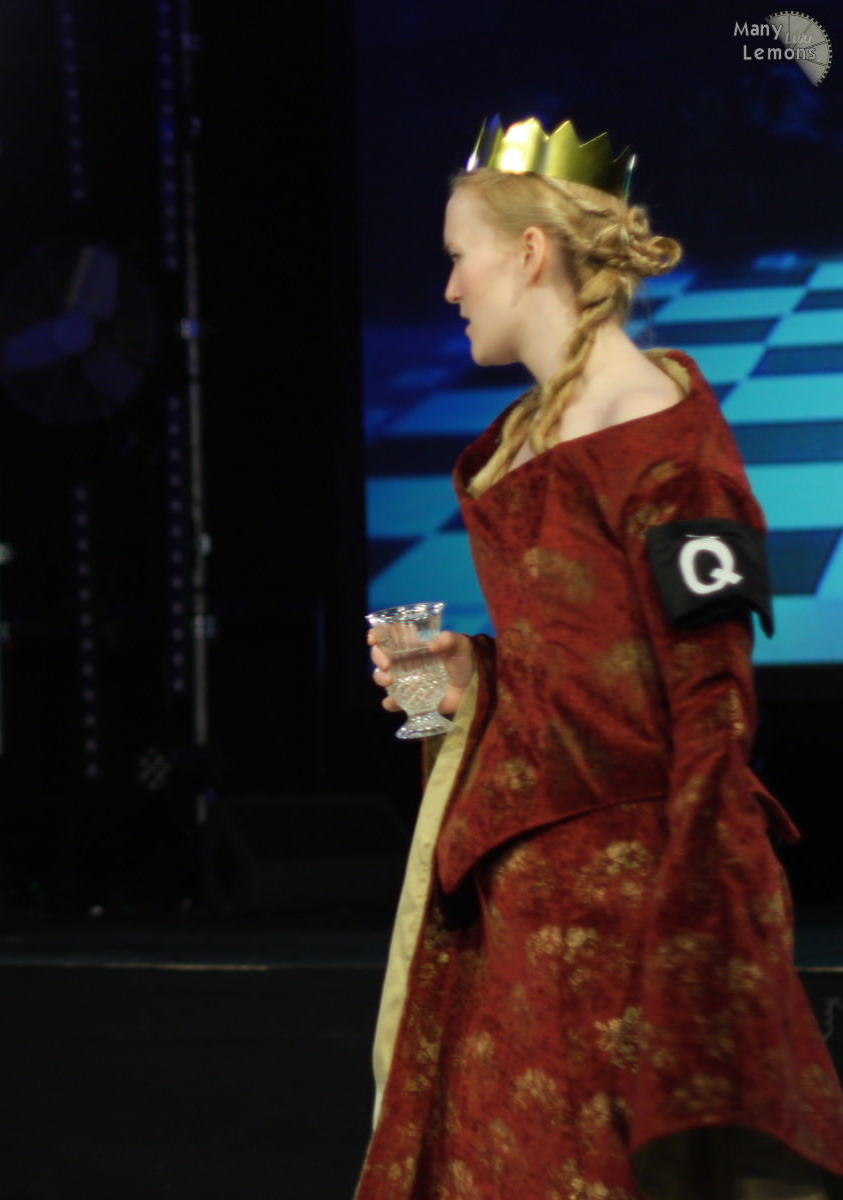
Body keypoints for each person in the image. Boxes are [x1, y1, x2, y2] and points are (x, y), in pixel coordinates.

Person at [358, 118, 843, 1197]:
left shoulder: (663, 440)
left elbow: (711, 711)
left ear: (531, 252)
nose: (450, 288)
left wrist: (698, 945)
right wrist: (472, 676)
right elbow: (583, 670)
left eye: (460, 256)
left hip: (620, 920)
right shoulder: (536, 430)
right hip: (521, 903)